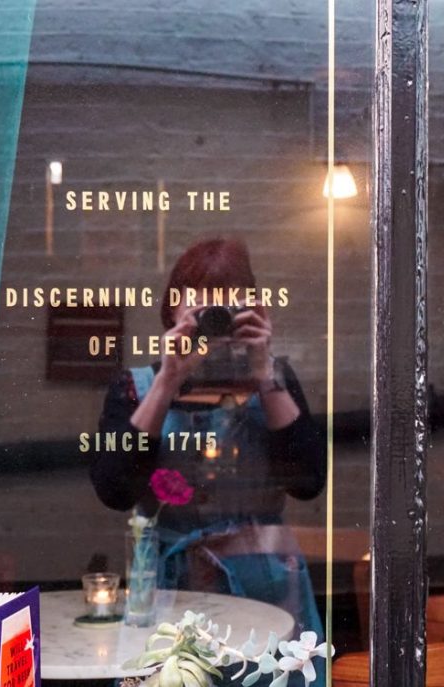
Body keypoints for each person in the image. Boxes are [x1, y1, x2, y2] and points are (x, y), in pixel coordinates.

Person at [89, 238, 327, 659]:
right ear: (172, 314)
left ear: (252, 315)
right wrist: (167, 380)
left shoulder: (274, 380)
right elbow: (114, 490)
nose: (215, 328)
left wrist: (264, 373)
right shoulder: (137, 387)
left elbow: (308, 481)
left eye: (227, 314)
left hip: (264, 587)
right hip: (171, 590)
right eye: (204, 315)